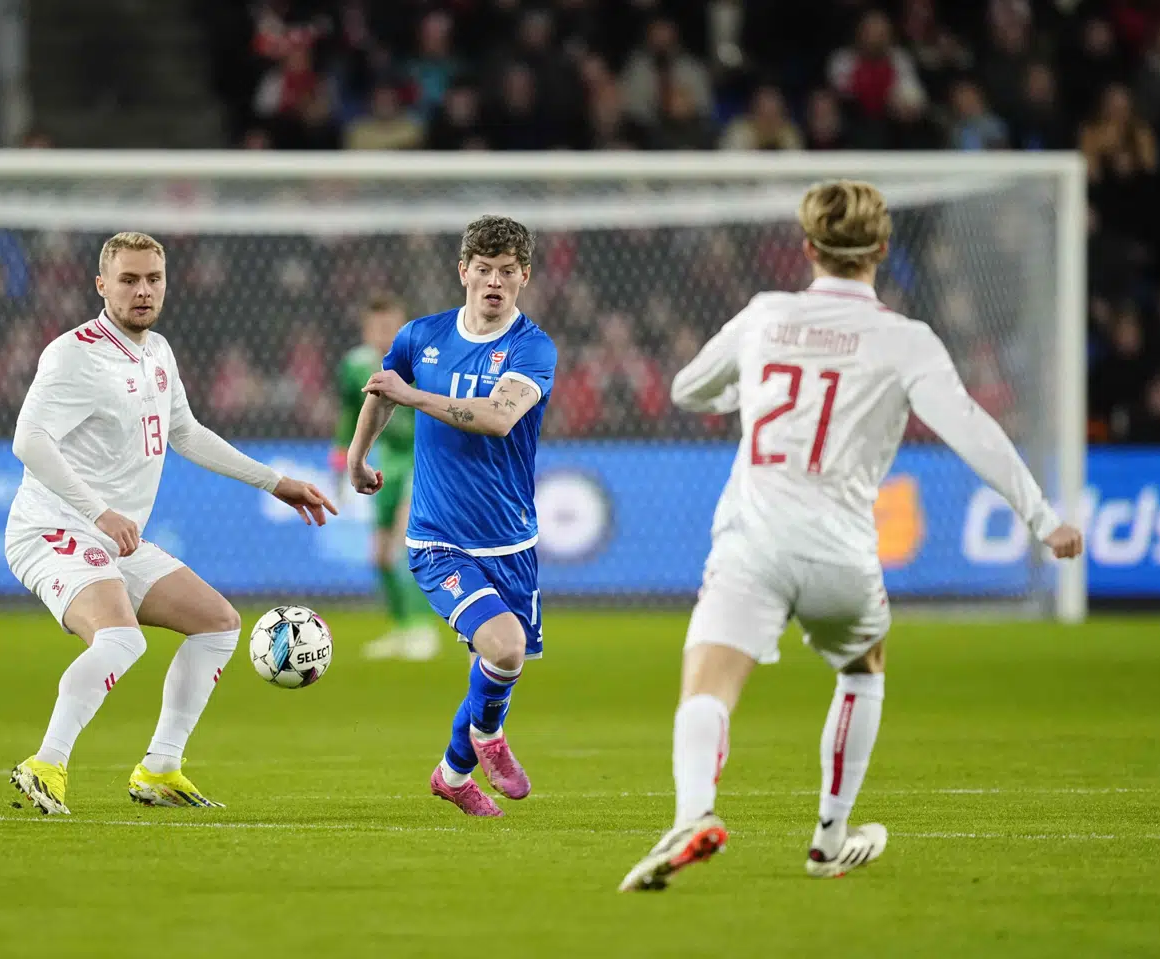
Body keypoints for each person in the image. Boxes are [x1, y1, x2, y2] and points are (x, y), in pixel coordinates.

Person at [618, 181, 1084, 890]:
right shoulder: (905, 340)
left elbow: (686, 388)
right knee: (862, 669)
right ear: (883, 250)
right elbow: (973, 431)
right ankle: (829, 837)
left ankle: (693, 813)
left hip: (753, 541)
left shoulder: (765, 315)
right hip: (841, 549)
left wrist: (741, 391)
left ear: (807, 248)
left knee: (707, 687)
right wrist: (1042, 518)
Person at [5, 231, 335, 815]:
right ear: (101, 285)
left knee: (218, 624)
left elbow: (184, 432)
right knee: (121, 638)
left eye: (152, 279)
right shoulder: (74, 353)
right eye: (128, 280)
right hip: (53, 530)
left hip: (113, 538)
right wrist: (99, 512)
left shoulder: (156, 350)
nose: (142, 291)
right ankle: (46, 763)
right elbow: (28, 440)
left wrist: (274, 481)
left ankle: (160, 768)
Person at [347, 215, 557, 817]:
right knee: (506, 647)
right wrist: (359, 459)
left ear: (524, 278)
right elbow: (381, 391)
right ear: (463, 271)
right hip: (439, 538)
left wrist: (412, 396)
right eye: (484, 270)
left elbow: (496, 417)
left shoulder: (531, 347)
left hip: (512, 539)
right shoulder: (422, 336)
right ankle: (488, 739)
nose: (495, 282)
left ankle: (452, 772)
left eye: (508, 272)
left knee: (493, 664)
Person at [332, 292, 441, 660]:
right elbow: (349, 413)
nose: (386, 333)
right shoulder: (353, 365)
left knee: (404, 546)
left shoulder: (420, 362)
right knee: (379, 555)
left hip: (422, 462)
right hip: (386, 464)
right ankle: (401, 627)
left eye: (392, 326)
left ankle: (423, 629)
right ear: (366, 329)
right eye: (379, 327)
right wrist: (342, 454)